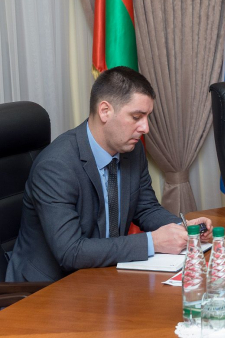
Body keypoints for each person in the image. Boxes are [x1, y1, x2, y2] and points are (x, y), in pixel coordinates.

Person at [6, 67, 212, 282]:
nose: (145, 128)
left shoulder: (132, 150)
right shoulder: (56, 166)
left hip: (103, 272)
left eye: (147, 117)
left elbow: (146, 208)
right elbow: (71, 252)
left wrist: (182, 229)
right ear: (105, 111)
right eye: (136, 117)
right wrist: (153, 242)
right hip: (48, 287)